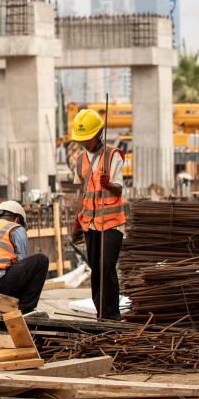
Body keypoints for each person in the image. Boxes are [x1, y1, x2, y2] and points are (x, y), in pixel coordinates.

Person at [70, 108, 125, 320]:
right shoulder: (80, 160)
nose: (85, 142)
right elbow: (82, 194)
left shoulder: (113, 156)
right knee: (96, 269)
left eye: (88, 138)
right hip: (90, 224)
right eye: (82, 139)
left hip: (111, 223)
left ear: (98, 133)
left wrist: (108, 184)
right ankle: (101, 313)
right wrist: (77, 223)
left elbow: (119, 189)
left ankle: (112, 315)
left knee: (106, 267)